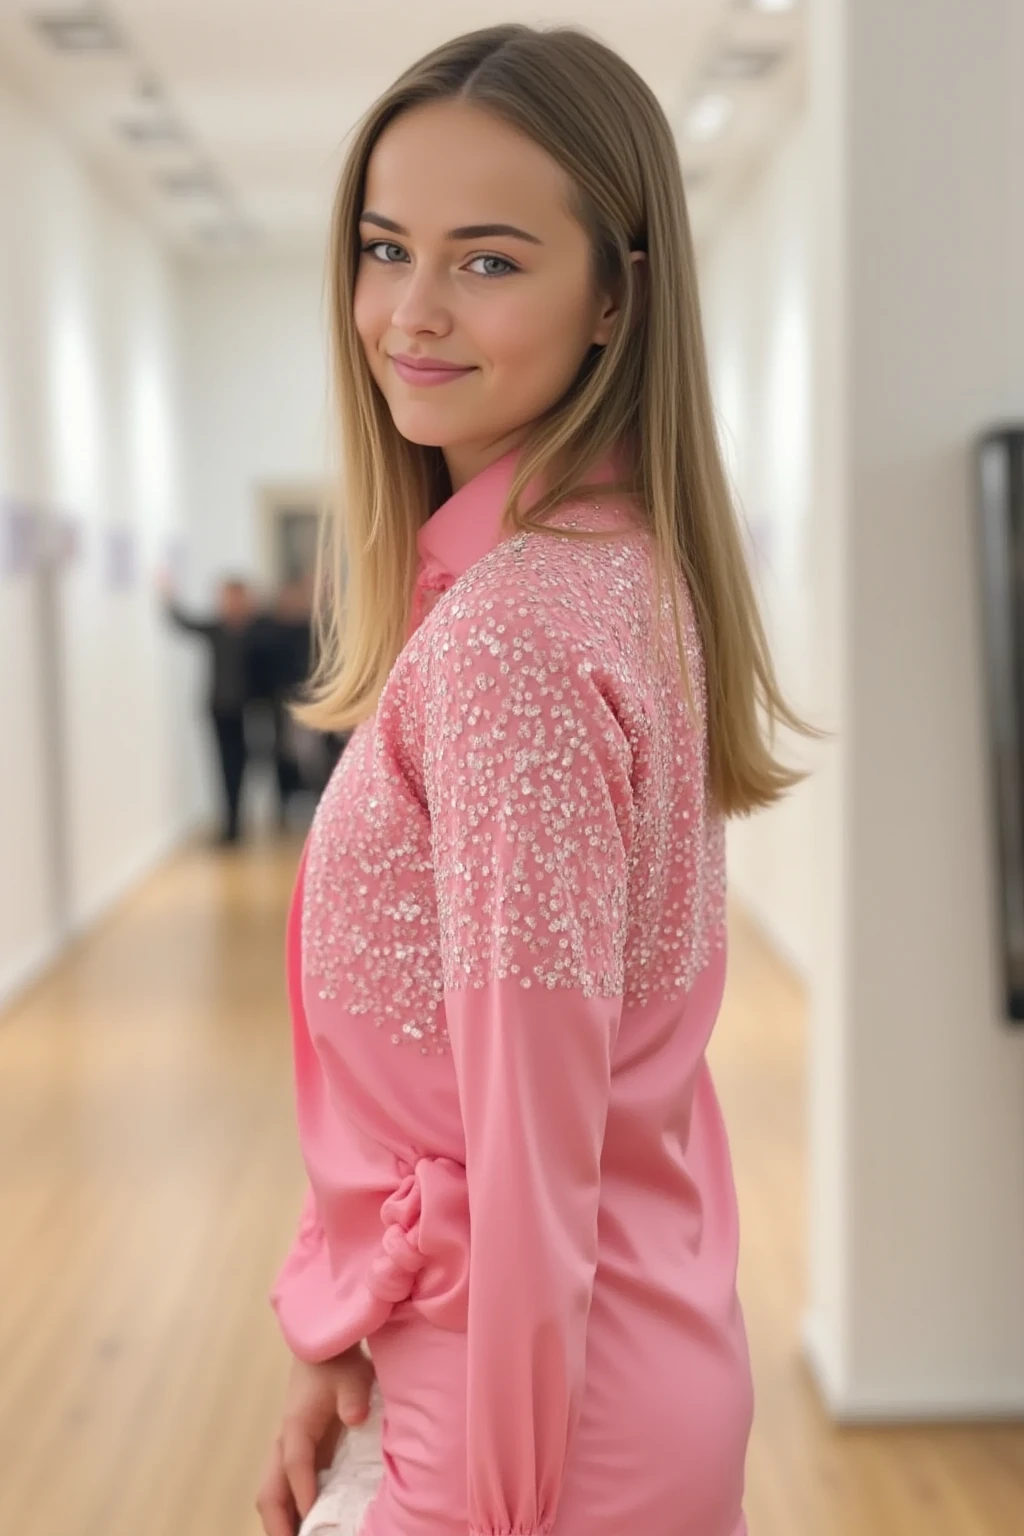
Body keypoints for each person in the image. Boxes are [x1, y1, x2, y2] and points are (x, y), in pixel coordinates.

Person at [257, 24, 808, 1536]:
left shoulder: (513, 642)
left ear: (615, 296)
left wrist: (474, 1506)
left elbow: (535, 1164)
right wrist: (342, 1329)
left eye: (488, 261)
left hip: (531, 1433)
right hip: (572, 1370)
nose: (411, 313)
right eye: (384, 248)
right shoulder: (602, 573)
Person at [161, 573, 257, 845]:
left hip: (246, 709)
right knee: (224, 765)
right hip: (219, 708)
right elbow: (183, 622)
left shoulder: (255, 630)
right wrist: (168, 596)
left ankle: (239, 820)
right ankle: (230, 824)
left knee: (243, 764)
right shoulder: (216, 629)